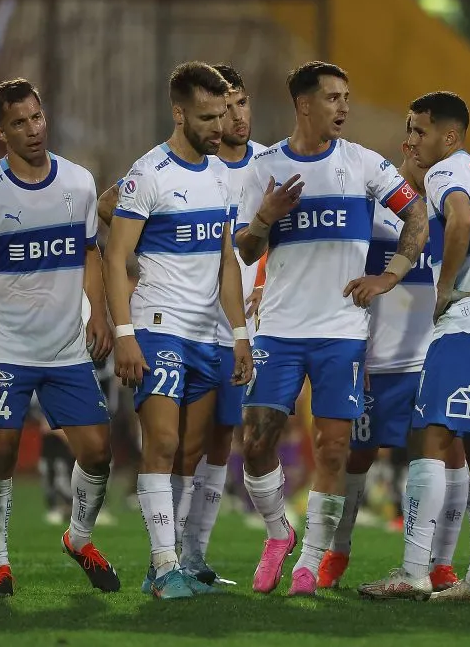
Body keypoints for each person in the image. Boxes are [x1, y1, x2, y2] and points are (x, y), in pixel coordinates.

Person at [234, 61, 429, 597]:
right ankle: (279, 533)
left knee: (335, 449)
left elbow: (416, 216)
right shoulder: (264, 168)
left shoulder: (363, 164)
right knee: (255, 442)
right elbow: (245, 249)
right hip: (278, 328)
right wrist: (265, 218)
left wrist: (390, 275)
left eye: (347, 97)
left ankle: (310, 561)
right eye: (332, 98)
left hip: (342, 330)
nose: (343, 107)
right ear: (303, 104)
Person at [358, 91, 470, 602]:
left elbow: (460, 221)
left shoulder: (444, 174)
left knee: (429, 442)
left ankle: (412, 572)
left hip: (467, 327)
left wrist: (447, 287)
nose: (410, 140)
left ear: (448, 136)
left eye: (418, 130)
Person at [0, 78, 118, 597]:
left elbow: (91, 252)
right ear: (0, 131)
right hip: (8, 348)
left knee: (98, 451)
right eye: (19, 123)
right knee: (1, 454)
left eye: (37, 117)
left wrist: (98, 313)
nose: (33, 130)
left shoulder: (78, 183)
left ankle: (79, 538)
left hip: (67, 345)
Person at [103, 61, 252, 600]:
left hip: (209, 334)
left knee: (191, 452)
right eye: (207, 116)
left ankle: (166, 566)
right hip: (158, 326)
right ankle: (166, 570)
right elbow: (116, 255)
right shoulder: (148, 175)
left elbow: (227, 262)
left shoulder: (219, 174)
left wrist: (239, 334)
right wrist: (124, 333)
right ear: (179, 112)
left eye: (223, 114)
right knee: (161, 443)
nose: (219, 127)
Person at [317, 113, 467, 592]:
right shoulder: (376, 209)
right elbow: (345, 279)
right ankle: (337, 552)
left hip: (429, 358)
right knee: (356, 459)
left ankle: (435, 563)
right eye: (412, 140)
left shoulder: (455, 209)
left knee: (444, 455)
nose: (416, 148)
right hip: (373, 360)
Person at [179, 63, 267, 582]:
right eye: (224, 105)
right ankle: (165, 558)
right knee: (186, 444)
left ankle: (194, 558)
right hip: (190, 324)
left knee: (221, 442)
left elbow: (280, 240)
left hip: (242, 329)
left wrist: (264, 285)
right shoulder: (190, 166)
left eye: (241, 102)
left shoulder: (270, 166)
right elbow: (114, 208)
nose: (235, 115)